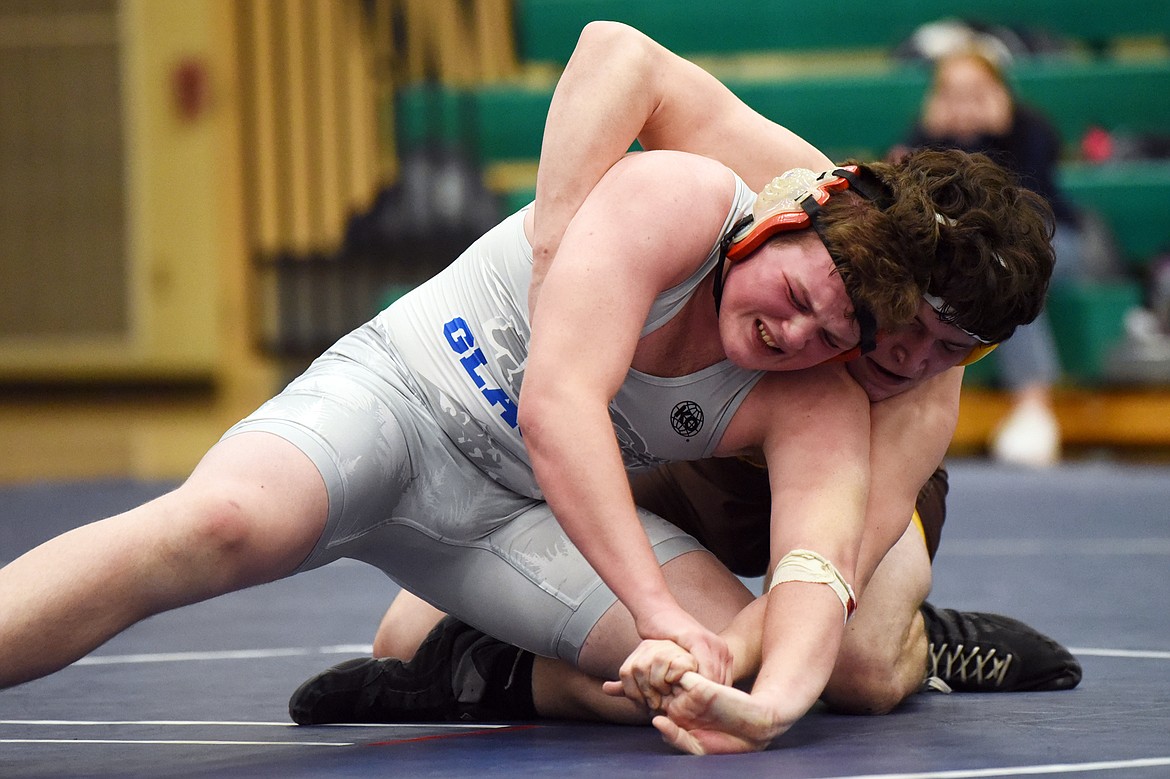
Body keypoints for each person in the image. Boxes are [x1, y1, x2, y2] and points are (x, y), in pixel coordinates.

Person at [284, 22, 1068, 755]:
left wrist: (721, 660)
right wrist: (552, 252)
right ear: (892, 258)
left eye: (954, 349)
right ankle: (486, 671)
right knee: (405, 636)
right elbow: (617, 53)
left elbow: (834, 570)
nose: (911, 358)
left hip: (823, 492)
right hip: (694, 440)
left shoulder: (918, 400)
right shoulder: (801, 200)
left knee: (851, 666)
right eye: (913, 322)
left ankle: (925, 639)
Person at [894, 44, 1088, 467]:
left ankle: (1034, 404)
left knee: (1005, 276)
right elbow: (905, 196)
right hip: (977, 255)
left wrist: (993, 133)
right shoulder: (925, 135)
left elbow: (1030, 209)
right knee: (989, 272)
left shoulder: (1029, 128)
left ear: (999, 91)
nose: (964, 104)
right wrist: (938, 138)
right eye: (953, 93)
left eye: (976, 92)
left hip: (1058, 242)